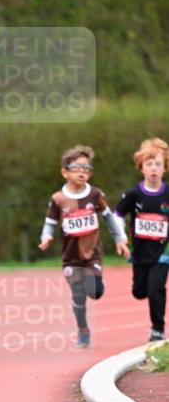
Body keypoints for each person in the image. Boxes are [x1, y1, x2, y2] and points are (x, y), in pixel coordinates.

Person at [38, 144, 128, 348]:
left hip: (92, 254)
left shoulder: (95, 194)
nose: (82, 172)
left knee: (95, 292)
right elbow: (50, 223)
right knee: (78, 295)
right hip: (70, 257)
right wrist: (46, 237)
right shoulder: (58, 199)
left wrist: (119, 238)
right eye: (77, 168)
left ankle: (97, 284)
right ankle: (83, 331)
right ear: (65, 172)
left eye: (86, 168)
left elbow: (108, 218)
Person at [114, 137, 169, 342]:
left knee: (156, 289)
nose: (153, 168)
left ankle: (158, 329)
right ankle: (145, 291)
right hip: (140, 252)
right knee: (139, 292)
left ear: (164, 168)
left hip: (163, 252)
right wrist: (120, 239)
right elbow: (117, 215)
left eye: (158, 164)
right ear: (141, 167)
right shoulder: (133, 194)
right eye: (149, 164)